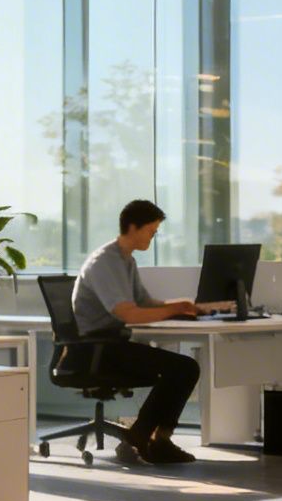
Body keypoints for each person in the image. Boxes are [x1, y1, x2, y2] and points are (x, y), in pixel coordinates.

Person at [70, 199, 228, 465]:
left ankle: (149, 439)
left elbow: (144, 303)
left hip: (112, 345)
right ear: (133, 227)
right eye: (151, 232)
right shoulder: (105, 262)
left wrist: (189, 306)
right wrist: (176, 308)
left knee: (183, 368)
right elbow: (128, 313)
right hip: (95, 349)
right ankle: (147, 439)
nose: (152, 238)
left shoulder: (125, 261)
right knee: (183, 368)